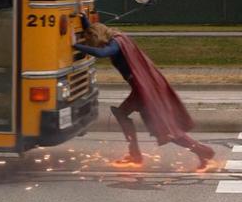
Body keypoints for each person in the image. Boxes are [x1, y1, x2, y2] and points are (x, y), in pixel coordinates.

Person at [72, 16, 215, 169]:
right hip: (142, 87)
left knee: (163, 128)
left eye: (93, 41)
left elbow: (103, 53)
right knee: (150, 124)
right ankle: (138, 154)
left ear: (97, 36)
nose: (96, 45)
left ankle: (202, 151)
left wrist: (75, 46)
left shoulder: (116, 43)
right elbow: (95, 31)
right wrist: (84, 21)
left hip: (142, 90)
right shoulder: (119, 36)